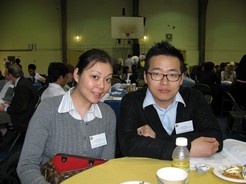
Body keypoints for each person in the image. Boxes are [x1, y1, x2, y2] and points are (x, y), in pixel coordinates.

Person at [17, 48, 116, 183]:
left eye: (108, 79)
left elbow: (106, 165)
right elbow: (26, 166)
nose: (102, 86)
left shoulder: (108, 115)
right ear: (76, 75)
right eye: (95, 77)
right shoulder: (48, 110)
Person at [118, 41, 223, 160]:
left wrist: (157, 137)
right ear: (146, 77)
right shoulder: (132, 100)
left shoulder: (194, 98)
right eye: (156, 74)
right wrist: (186, 149)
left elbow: (214, 138)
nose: (164, 82)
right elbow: (128, 145)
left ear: (182, 78)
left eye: (172, 75)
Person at [0, 64, 38, 133]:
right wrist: (10, 103)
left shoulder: (21, 86)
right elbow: (22, 101)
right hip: (24, 114)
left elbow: (21, 107)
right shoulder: (23, 82)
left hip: (21, 118)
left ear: (11, 75)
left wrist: (4, 108)